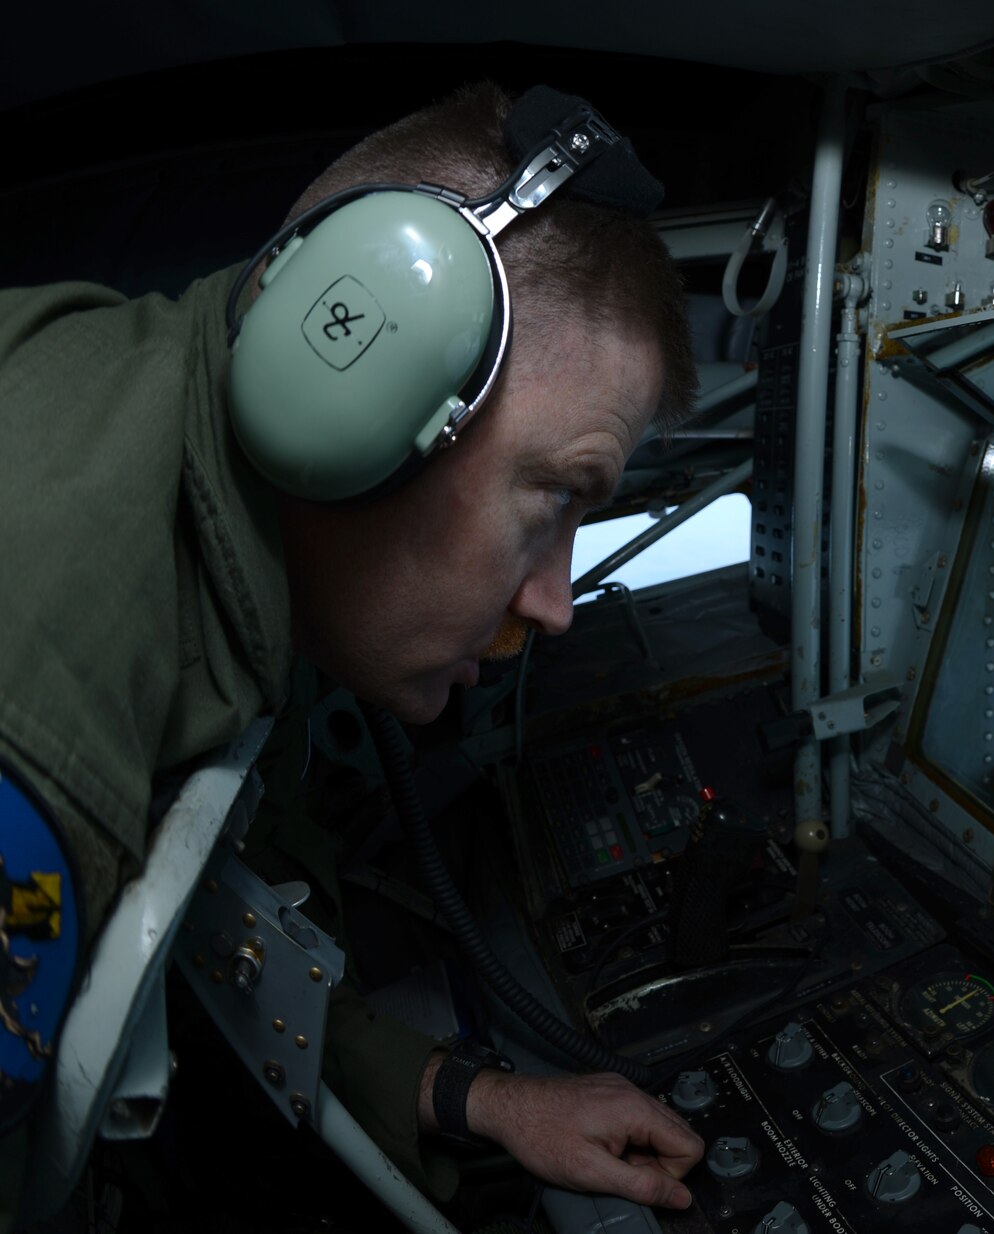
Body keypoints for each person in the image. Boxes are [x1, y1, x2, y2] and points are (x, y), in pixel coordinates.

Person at [0, 81, 706, 1212]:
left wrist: (474, 1096)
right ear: (356, 389)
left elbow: (206, 918)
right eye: (558, 499)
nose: (556, 602)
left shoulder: (206, 536)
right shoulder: (38, 672)